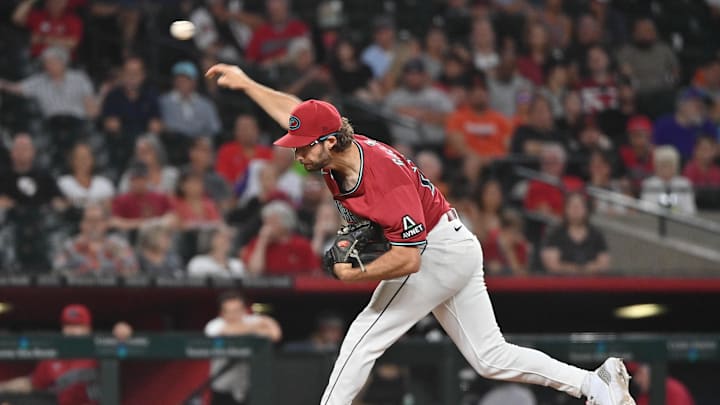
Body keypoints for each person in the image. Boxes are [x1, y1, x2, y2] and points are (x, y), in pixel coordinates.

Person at [206, 63, 636, 405]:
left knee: (363, 335)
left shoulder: (380, 181)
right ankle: (596, 385)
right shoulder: (336, 147)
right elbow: (294, 111)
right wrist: (246, 83)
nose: (297, 152)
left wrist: (355, 275)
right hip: (452, 243)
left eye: (305, 146)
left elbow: (410, 259)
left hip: (433, 252)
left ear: (332, 142)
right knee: (490, 357)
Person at [0, 304, 132, 405]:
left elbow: (123, 337)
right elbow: (32, 383)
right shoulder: (53, 357)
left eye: (78, 326)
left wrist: (123, 331)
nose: (72, 330)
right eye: (68, 325)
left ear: (88, 328)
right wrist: (3, 387)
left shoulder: (100, 347)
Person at [204, 290, 282, 405]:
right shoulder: (214, 325)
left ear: (244, 310)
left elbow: (275, 334)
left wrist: (264, 321)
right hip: (222, 386)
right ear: (222, 313)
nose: (234, 315)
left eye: (237, 310)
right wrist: (256, 327)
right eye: (229, 312)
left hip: (246, 387)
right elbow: (227, 331)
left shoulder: (250, 321)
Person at [54, 203, 138, 276]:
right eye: (89, 220)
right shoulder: (71, 246)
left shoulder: (118, 244)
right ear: (82, 224)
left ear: (106, 224)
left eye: (98, 220)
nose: (94, 225)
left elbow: (133, 269)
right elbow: (57, 270)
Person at [241, 200, 320, 276]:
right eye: (265, 222)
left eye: (272, 222)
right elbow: (254, 272)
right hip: (264, 288)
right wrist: (262, 243)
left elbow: (314, 272)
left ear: (285, 224)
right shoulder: (256, 243)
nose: (266, 227)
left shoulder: (302, 245)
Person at [541, 193, 611, 275]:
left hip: (591, 283)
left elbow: (604, 263)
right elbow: (552, 265)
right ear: (566, 209)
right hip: (561, 283)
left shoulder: (596, 235)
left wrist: (587, 269)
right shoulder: (555, 234)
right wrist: (576, 269)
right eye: (572, 206)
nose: (576, 210)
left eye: (579, 206)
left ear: (586, 210)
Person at [159, 61, 221, 139]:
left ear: (194, 82)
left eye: (187, 79)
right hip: (172, 143)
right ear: (174, 81)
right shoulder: (164, 101)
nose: (182, 82)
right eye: (179, 78)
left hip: (198, 144)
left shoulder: (206, 105)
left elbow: (215, 129)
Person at [215, 114, 273, 185]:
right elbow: (222, 178)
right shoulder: (226, 151)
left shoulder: (267, 152)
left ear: (257, 131)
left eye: (249, 128)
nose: (246, 132)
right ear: (236, 132)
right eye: (242, 128)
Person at [11, 0, 83, 57]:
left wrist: (42, 39)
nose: (56, 4)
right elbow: (17, 19)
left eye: (59, 2)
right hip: (37, 59)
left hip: (62, 61)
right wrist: (30, 1)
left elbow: (72, 43)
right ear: (47, 3)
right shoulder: (38, 16)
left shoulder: (72, 20)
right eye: (52, 1)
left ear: (65, 4)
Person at [641, 146, 696, 214]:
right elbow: (646, 209)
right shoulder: (649, 184)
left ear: (676, 166)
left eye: (669, 165)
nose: (666, 169)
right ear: (656, 166)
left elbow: (690, 210)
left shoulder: (685, 184)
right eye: (663, 165)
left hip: (680, 222)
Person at [58, 143, 115, 208]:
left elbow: (109, 210)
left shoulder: (104, 184)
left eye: (86, 157)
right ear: (72, 161)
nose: (83, 161)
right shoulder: (63, 183)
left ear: (92, 160)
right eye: (79, 158)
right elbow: (59, 206)